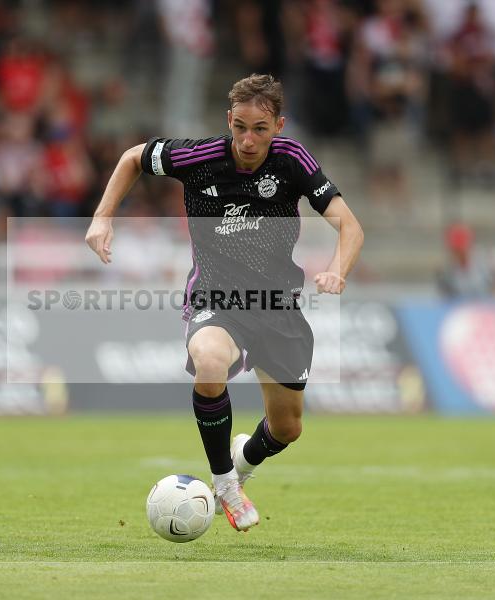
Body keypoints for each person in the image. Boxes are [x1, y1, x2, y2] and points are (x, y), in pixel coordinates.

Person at [85, 74, 364, 532]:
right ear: (227, 122)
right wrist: (102, 218)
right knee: (211, 363)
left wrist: (338, 268)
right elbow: (133, 157)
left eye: (259, 128)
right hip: (216, 295)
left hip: (276, 304)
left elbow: (349, 226)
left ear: (278, 125)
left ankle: (244, 460)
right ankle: (226, 484)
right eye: (239, 127)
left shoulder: (292, 160)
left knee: (288, 428)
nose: (248, 140)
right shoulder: (200, 157)